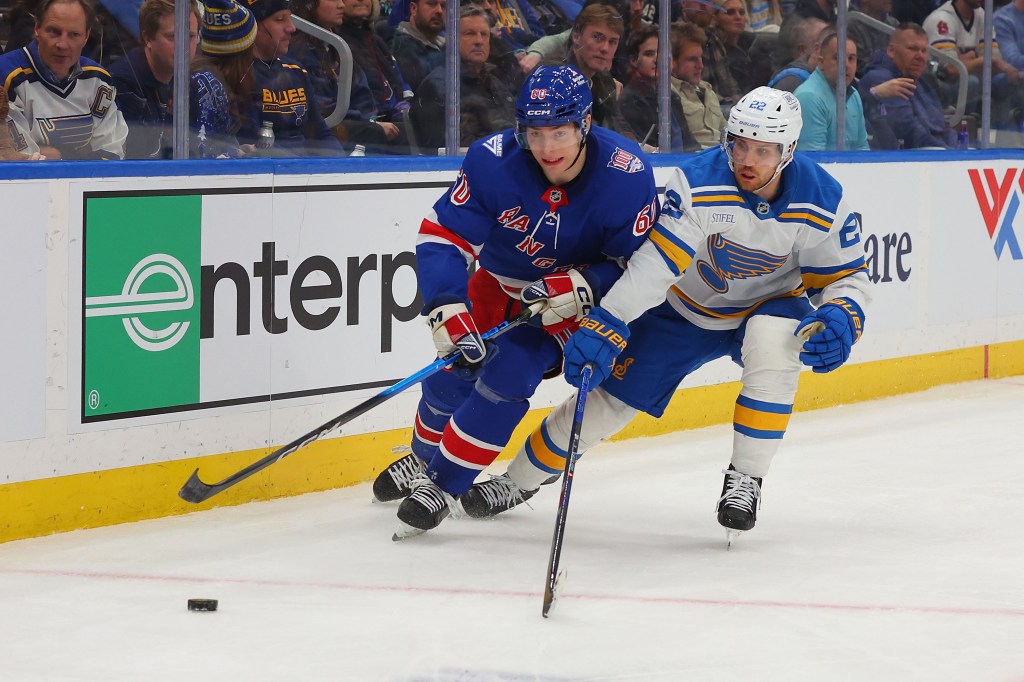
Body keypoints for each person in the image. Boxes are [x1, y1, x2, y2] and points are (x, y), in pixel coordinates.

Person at [465, 86, 871, 545]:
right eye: (739, 144)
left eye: (763, 150)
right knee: (603, 405)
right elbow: (658, 263)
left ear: (788, 151)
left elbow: (847, 276)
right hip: (681, 311)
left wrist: (843, 314)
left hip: (769, 304)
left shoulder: (823, 198)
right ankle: (518, 480)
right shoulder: (698, 182)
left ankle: (746, 480)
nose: (747, 159)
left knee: (776, 346)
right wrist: (610, 320)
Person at [371, 64, 659, 539]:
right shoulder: (493, 159)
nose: (546, 149)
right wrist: (446, 305)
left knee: (510, 373)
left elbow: (642, 265)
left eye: (560, 133)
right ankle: (422, 457)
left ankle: (442, 484)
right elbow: (442, 235)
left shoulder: (626, 174)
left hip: (571, 307)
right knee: (453, 374)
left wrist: (587, 283)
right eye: (535, 132)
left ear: (585, 124)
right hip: (499, 282)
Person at [0, 0, 128, 160]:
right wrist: (82, 155)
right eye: (54, 31)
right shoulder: (5, 77)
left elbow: (111, 155)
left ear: (86, 36)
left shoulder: (99, 80)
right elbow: (24, 162)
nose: (62, 44)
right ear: (37, 28)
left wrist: (58, 154)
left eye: (74, 34)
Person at [243, 0, 345, 156]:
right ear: (252, 26)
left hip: (303, 170)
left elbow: (321, 133)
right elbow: (252, 147)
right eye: (279, 19)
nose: (292, 27)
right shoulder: (240, 75)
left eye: (290, 18)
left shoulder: (296, 71)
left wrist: (340, 166)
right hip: (272, 173)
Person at [411, 3, 516, 150]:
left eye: (484, 34)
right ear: (452, 39)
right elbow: (449, 149)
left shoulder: (494, 81)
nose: (479, 41)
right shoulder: (438, 86)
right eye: (470, 33)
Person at [108, 0, 201, 159]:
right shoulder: (122, 84)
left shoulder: (188, 85)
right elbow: (132, 161)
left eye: (191, 36)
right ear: (148, 38)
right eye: (173, 36)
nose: (184, 46)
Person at [858, 22, 954, 149]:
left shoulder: (923, 80)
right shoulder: (879, 80)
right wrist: (950, 154)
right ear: (891, 51)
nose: (920, 56)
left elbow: (942, 126)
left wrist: (959, 150)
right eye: (913, 49)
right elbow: (909, 132)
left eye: (924, 50)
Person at [336, 0, 415, 152]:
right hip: (362, 132)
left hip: (388, 120)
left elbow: (397, 81)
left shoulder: (373, 38)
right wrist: (372, 122)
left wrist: (403, 107)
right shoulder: (337, 43)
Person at [188, 0, 257, 158]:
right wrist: (236, 153)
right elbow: (202, 159)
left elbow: (216, 146)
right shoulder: (207, 85)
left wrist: (237, 149)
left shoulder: (214, 80)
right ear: (243, 50)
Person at [619, 22, 698, 151]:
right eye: (649, 54)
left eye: (664, 53)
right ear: (633, 60)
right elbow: (646, 151)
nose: (658, 59)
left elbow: (691, 145)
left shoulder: (672, 97)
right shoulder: (629, 101)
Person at [794, 30, 870, 150]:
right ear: (821, 62)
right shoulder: (809, 97)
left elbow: (862, 148)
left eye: (851, 59)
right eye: (838, 58)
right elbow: (814, 160)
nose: (846, 65)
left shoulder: (854, 95)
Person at [672, 21, 727, 150]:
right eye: (692, 59)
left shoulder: (707, 90)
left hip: (722, 157)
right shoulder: (667, 95)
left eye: (700, 58)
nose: (700, 66)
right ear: (672, 61)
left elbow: (727, 131)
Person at [391, 0, 446, 95]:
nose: (439, 10)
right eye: (431, 4)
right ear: (414, 9)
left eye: (444, 6)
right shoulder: (402, 48)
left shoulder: (448, 45)